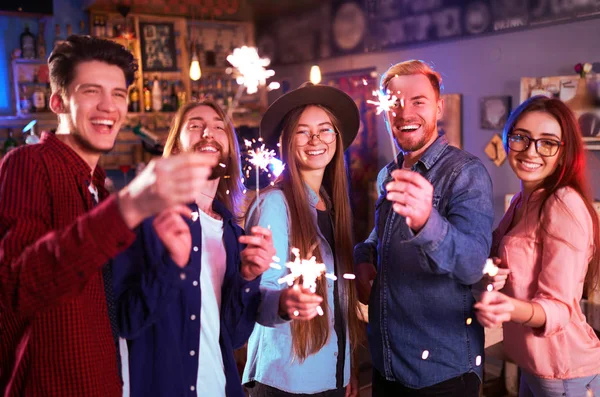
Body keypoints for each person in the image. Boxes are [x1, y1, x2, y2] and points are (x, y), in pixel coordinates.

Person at [0, 35, 217, 397]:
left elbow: (125, 319)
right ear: (58, 101)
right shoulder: (28, 164)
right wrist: (127, 207)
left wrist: (170, 262)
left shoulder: (99, 190)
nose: (108, 106)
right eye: (91, 91)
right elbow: (17, 288)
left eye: (118, 94)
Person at [113, 100, 275, 397]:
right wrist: (169, 266)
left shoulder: (232, 234)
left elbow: (234, 336)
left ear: (230, 148)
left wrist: (248, 277)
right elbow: (125, 320)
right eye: (195, 125)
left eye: (218, 126)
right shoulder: (147, 218)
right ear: (176, 148)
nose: (208, 133)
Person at [353, 59, 494, 396]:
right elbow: (382, 234)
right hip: (388, 365)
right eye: (396, 103)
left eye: (418, 101)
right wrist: (363, 255)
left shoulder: (465, 173)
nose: (405, 113)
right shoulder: (388, 173)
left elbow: (473, 265)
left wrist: (426, 221)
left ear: (438, 107)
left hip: (441, 373)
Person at [242, 83, 364, 397]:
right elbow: (260, 293)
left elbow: (339, 296)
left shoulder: (331, 203)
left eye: (325, 130)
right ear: (286, 141)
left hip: (330, 375)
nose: (315, 141)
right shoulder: (275, 204)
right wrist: (285, 303)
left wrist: (345, 367)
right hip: (286, 380)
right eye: (302, 131)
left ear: (337, 139)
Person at [474, 96, 600, 396]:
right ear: (508, 140)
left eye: (547, 142)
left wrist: (509, 307)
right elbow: (498, 260)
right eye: (521, 138)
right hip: (532, 366)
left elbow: (560, 310)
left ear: (563, 151)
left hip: (565, 372)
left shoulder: (563, 204)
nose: (532, 151)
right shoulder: (521, 201)